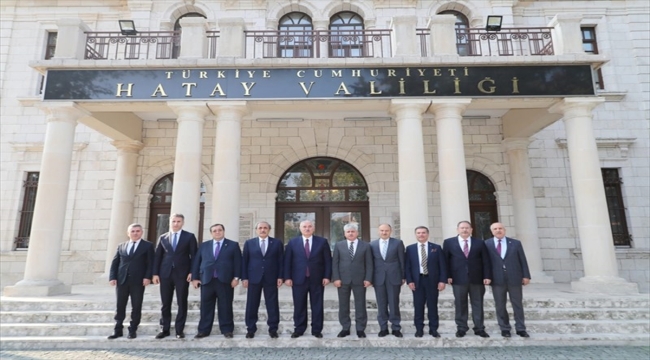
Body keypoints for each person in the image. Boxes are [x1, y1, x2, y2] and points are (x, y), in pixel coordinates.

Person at [191, 224, 242, 339]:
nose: (217, 232)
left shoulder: (233, 245)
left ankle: (227, 330)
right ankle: (203, 330)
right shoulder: (204, 246)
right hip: (207, 280)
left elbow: (238, 263)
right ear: (211, 233)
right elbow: (197, 262)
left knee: (225, 306)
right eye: (214, 231)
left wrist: (236, 278)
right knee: (206, 307)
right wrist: (195, 278)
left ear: (224, 231)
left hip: (225, 281)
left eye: (220, 230)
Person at [443, 221, 492, 338]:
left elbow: (486, 260)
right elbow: (446, 261)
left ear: (471, 230)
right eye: (462, 228)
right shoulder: (449, 242)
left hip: (477, 279)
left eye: (467, 228)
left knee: (478, 304)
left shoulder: (480, 243)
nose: (464, 230)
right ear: (457, 229)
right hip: (458, 279)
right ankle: (461, 328)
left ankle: (479, 328)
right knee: (460, 304)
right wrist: (447, 276)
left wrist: (487, 276)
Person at [152, 214, 198, 339]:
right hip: (165, 274)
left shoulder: (189, 236)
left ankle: (179, 330)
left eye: (178, 221)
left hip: (182, 274)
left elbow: (194, 256)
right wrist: (155, 273)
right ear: (170, 222)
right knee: (165, 303)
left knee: (181, 302)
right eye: (173, 221)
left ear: (183, 223)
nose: (176, 223)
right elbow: (158, 256)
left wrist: (193, 272)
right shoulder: (163, 237)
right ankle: (164, 329)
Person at [283, 220, 332, 338]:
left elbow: (327, 261)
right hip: (298, 279)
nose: (307, 228)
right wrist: (287, 277)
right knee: (299, 305)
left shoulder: (322, 242)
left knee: (317, 305)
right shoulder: (293, 242)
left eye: (310, 226)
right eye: (304, 226)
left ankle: (317, 329)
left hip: (317, 279)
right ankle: (299, 329)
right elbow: (287, 261)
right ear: (300, 229)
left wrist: (327, 276)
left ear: (313, 228)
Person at [108, 223, 154, 340]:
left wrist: (148, 277)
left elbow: (150, 263)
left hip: (138, 281)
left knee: (136, 306)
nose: (135, 233)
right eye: (132, 231)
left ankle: (132, 330)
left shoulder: (148, 246)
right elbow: (115, 263)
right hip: (122, 280)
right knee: (120, 305)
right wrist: (112, 277)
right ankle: (118, 329)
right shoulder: (121, 246)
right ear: (128, 233)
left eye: (137, 231)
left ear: (141, 232)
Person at [486, 222, 531, 338]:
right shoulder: (487, 244)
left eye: (500, 228)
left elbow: (523, 260)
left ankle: (521, 328)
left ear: (504, 230)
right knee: (500, 305)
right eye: (495, 229)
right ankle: (504, 328)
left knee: (517, 304)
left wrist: (526, 276)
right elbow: (485, 263)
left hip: (514, 278)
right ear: (492, 231)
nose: (498, 230)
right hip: (497, 280)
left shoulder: (515, 243)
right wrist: (486, 277)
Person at [241, 221, 284, 339]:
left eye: (265, 228)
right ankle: (250, 329)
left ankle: (273, 329)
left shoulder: (276, 243)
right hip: (253, 278)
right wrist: (244, 278)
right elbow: (244, 261)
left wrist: (280, 276)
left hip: (271, 277)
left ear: (269, 229)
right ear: (256, 230)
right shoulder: (249, 243)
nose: (263, 230)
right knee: (252, 304)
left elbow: (281, 261)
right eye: (260, 228)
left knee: (272, 304)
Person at [332, 223, 373, 338]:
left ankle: (360, 328)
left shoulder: (365, 246)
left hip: (360, 280)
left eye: (353, 231)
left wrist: (368, 278)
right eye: (348, 232)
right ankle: (345, 328)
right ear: (345, 234)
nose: (350, 233)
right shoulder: (339, 245)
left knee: (360, 305)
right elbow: (335, 263)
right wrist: (336, 278)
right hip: (342, 280)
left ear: (357, 233)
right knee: (343, 305)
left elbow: (369, 264)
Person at [404, 226, 447, 338]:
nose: (421, 235)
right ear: (415, 235)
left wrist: (442, 280)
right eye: (418, 233)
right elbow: (407, 266)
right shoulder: (410, 248)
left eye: (423, 233)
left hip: (432, 281)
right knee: (418, 306)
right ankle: (419, 329)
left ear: (427, 234)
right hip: (417, 281)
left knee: (432, 306)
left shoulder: (436, 248)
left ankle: (433, 329)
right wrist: (409, 281)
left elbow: (442, 265)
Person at [370, 223, 405, 337]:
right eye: (382, 230)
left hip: (394, 277)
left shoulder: (398, 243)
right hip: (378, 278)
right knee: (381, 303)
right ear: (378, 231)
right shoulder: (372, 244)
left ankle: (396, 327)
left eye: (386, 230)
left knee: (394, 303)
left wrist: (403, 276)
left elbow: (402, 261)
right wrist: (370, 278)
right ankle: (383, 327)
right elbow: (370, 263)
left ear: (391, 231)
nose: (384, 232)